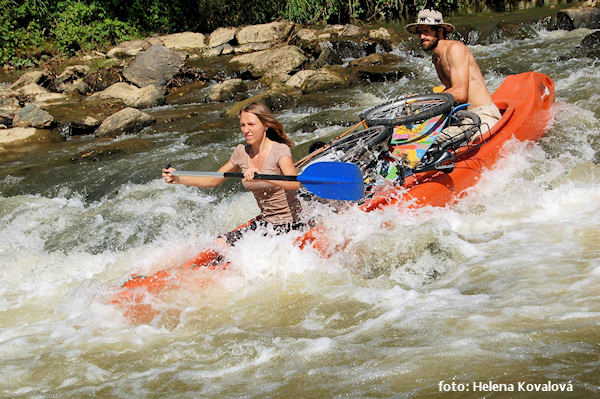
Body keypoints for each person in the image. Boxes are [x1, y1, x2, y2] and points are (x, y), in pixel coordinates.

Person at [162, 102, 304, 246]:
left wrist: (262, 175)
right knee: (220, 242)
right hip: (266, 223)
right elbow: (214, 180)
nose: (246, 130)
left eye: (251, 124)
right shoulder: (241, 152)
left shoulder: (280, 150)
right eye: (243, 125)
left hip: (291, 223)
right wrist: (178, 178)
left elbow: (294, 183)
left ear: (265, 125)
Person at [406, 9, 502, 144]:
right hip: (462, 116)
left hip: (482, 115)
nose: (422, 37)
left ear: (440, 31)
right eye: (420, 32)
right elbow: (451, 93)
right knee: (412, 133)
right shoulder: (436, 57)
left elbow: (460, 93)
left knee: (422, 140)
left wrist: (425, 101)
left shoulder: (454, 49)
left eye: (426, 31)